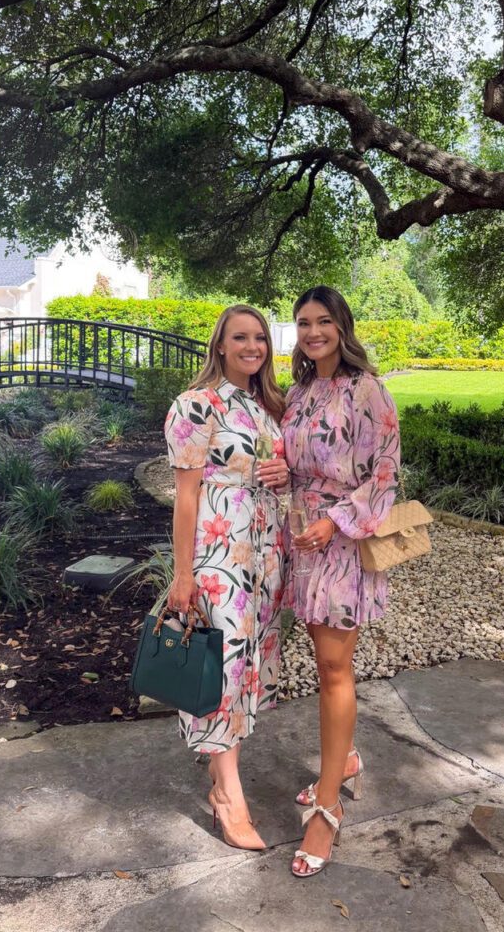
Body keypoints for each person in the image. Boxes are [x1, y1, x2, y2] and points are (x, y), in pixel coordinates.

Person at [281, 286, 400, 878]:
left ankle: (327, 809)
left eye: (323, 321)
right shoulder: (299, 392)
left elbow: (385, 475)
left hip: (344, 542)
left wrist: (334, 521)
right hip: (303, 541)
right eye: (303, 323)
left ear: (342, 327)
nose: (312, 332)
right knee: (321, 662)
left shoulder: (367, 389)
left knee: (333, 670)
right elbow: (291, 460)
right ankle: (345, 759)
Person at [164, 305, 289, 851]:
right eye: (240, 337)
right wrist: (183, 574)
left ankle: (219, 775)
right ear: (219, 345)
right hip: (222, 554)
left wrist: (284, 471)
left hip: (264, 557)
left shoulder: (266, 408)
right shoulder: (197, 405)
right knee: (225, 667)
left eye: (259, 337)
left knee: (244, 668)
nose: (252, 346)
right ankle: (229, 797)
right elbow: (186, 498)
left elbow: (280, 477)